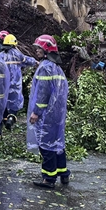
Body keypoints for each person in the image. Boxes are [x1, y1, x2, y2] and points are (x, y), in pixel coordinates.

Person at [28, 35, 70, 189]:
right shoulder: (57, 68)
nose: (37, 50)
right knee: (57, 143)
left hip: (46, 114)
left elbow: (43, 93)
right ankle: (63, 174)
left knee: (45, 145)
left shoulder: (45, 67)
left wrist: (36, 112)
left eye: (39, 48)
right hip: (57, 114)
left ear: (47, 49)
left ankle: (49, 178)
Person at [0, 34, 37, 130]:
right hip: (15, 84)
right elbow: (27, 60)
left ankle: (5, 120)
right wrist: (36, 62)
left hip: (2, 84)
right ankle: (11, 118)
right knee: (15, 103)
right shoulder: (17, 54)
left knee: (4, 102)